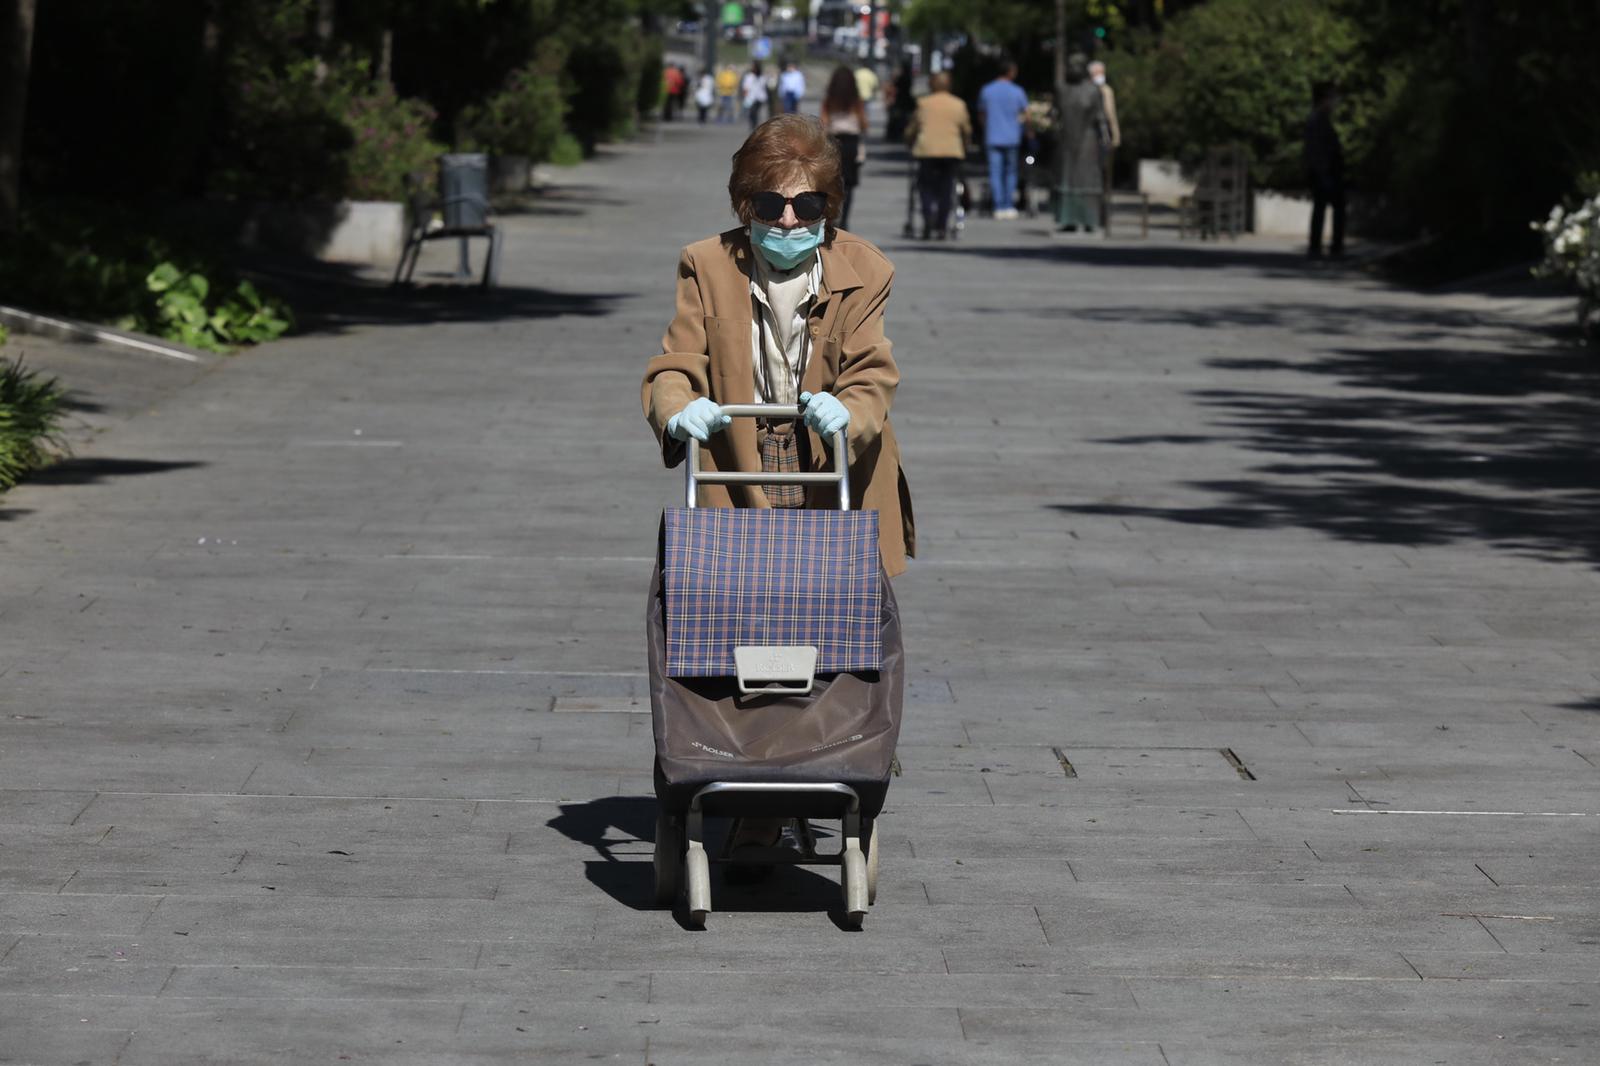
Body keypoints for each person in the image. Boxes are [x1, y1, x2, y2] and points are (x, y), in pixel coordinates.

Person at [641, 118, 915, 866]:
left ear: (831, 206)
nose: (789, 221)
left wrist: (847, 412)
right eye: (771, 206)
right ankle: (753, 785)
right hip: (739, 465)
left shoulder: (865, 267)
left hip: (833, 473)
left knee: (834, 635)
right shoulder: (707, 264)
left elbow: (872, 372)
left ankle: (821, 768)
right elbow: (674, 362)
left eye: (809, 207)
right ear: (743, 206)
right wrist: (679, 405)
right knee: (737, 632)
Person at [905, 71, 971, 239]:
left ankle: (927, 216)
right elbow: (966, 130)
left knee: (925, 186)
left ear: (932, 85)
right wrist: (964, 147)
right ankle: (942, 225)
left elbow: (912, 128)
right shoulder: (958, 104)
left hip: (927, 150)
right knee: (946, 188)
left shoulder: (924, 103)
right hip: (951, 151)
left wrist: (909, 141)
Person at [1053, 53, 1107, 232]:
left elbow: (1100, 117)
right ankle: (1068, 219)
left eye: (1077, 65)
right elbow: (1056, 114)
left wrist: (1105, 138)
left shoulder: (1093, 90)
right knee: (1068, 178)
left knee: (1087, 179)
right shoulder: (1063, 89)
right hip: (1067, 139)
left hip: (1087, 140)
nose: (1072, 69)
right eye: (1070, 65)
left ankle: (1090, 220)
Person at [977, 60, 1029, 219]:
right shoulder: (1017, 91)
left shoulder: (987, 90)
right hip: (1012, 136)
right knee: (1011, 171)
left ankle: (998, 206)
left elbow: (981, 113)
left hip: (993, 135)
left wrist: (987, 127)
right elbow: (1026, 114)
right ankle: (1008, 205)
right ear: (1011, 72)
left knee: (995, 172)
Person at [821, 65, 868, 231]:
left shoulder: (829, 100)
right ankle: (845, 220)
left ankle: (832, 216)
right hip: (851, 143)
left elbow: (823, 123)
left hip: (833, 142)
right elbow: (863, 124)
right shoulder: (856, 101)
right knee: (848, 185)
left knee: (832, 182)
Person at [1306, 80, 1345, 258]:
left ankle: (1321, 246)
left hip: (1326, 172)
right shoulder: (1317, 120)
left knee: (1323, 208)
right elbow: (1316, 150)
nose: (1335, 102)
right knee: (1329, 207)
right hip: (1324, 172)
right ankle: (1328, 247)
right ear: (1324, 99)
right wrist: (1323, 173)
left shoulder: (1320, 119)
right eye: (1332, 97)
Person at [741, 61, 769, 130]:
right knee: (752, 112)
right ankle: (753, 124)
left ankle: (755, 124)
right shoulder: (749, 76)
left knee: (755, 111)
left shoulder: (762, 77)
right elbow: (746, 87)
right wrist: (745, 95)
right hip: (751, 97)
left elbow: (764, 87)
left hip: (760, 98)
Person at [853, 63, 880, 132]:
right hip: (867, 96)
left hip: (857, 96)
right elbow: (875, 86)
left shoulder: (857, 73)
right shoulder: (871, 74)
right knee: (866, 112)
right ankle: (864, 125)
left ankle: (858, 124)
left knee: (857, 111)